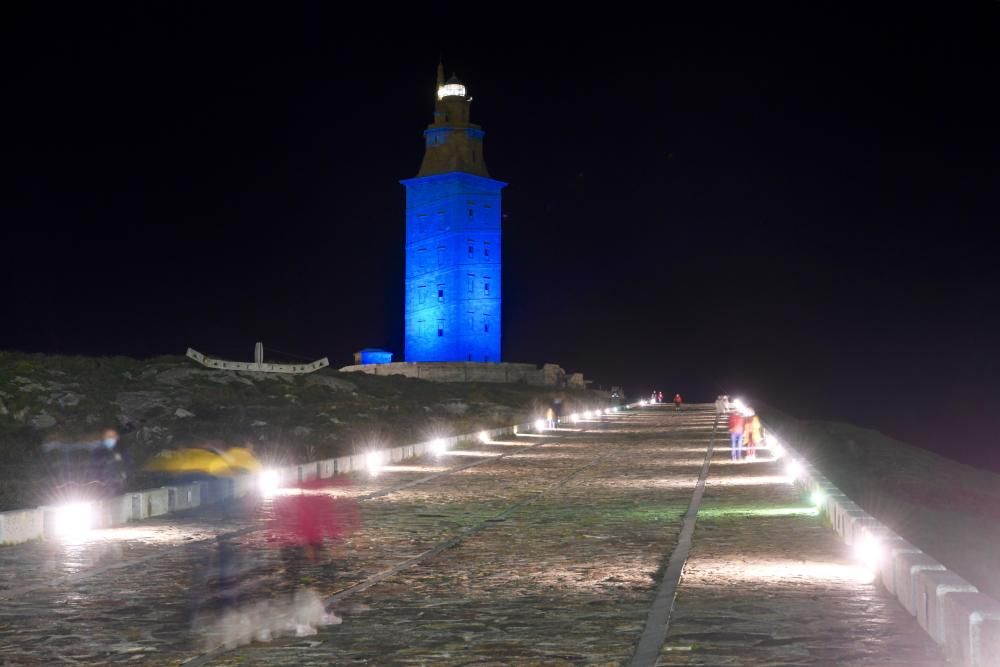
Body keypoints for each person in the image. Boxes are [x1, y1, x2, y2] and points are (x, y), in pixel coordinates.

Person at [88, 429, 126, 495]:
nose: (111, 439)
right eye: (108, 437)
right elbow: (94, 470)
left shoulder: (119, 451)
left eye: (113, 437)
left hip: (118, 488)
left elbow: (123, 467)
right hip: (103, 488)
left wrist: (123, 476)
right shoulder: (97, 451)